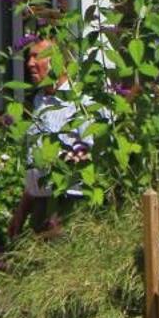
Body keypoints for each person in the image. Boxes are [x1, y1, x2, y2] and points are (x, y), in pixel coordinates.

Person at [8, 37, 96, 238]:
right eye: (28, 57)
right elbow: (35, 163)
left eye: (36, 57)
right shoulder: (40, 100)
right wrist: (22, 211)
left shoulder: (80, 101)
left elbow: (88, 153)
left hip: (66, 204)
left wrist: (59, 162)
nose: (29, 63)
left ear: (57, 61)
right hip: (40, 205)